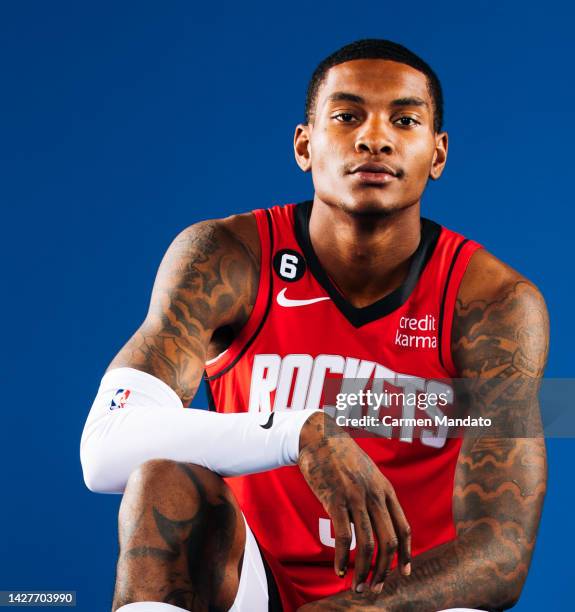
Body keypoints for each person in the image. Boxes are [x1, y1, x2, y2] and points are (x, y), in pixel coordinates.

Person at [80, 39, 549, 612]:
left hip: (410, 596)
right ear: (304, 145)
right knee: (162, 485)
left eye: (404, 120)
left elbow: (500, 553)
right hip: (257, 583)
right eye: (347, 116)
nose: (374, 138)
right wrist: (300, 432)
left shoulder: (493, 300)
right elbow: (103, 450)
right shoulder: (228, 259)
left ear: (438, 153)